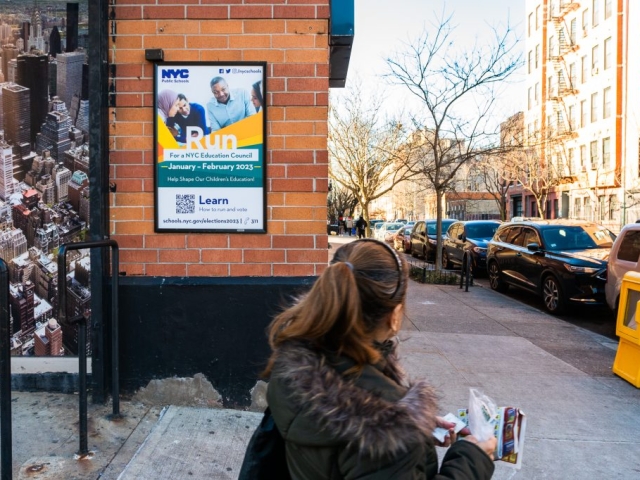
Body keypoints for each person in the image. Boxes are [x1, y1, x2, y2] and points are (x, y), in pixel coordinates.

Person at [264, 239, 497, 479]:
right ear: (394, 315)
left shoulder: (294, 364)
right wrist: (471, 460)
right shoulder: (387, 430)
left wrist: (416, 424)